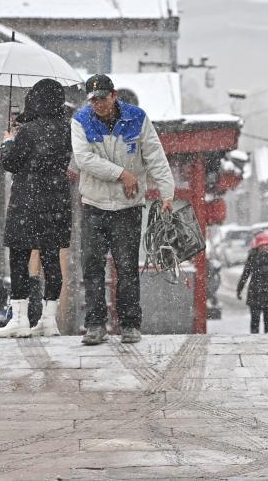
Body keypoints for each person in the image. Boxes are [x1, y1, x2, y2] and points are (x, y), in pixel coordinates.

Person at [72, 74, 176, 345]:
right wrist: (123, 174)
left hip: (128, 207)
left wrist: (167, 194)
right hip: (94, 205)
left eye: (103, 98)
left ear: (114, 95)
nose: (98, 104)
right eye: (93, 100)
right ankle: (95, 324)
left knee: (127, 266)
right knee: (92, 266)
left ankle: (130, 324)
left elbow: (155, 156)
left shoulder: (137, 119)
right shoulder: (80, 121)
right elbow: (84, 160)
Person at [0, 80, 72, 338]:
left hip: (27, 201)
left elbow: (12, 163)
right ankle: (49, 320)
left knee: (19, 257)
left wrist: (7, 142)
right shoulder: (65, 130)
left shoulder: (28, 131)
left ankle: (20, 319)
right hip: (56, 202)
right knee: (51, 259)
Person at [237, 231, 268, 333]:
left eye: (266, 245)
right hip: (255, 292)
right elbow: (245, 274)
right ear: (257, 246)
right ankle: (254, 342)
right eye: (262, 245)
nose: (264, 247)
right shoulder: (252, 256)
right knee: (255, 320)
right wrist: (239, 289)